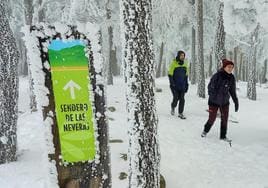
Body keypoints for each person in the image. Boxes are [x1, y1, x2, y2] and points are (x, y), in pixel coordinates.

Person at [201, 59, 239, 141]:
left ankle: (223, 136)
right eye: (229, 67)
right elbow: (210, 88)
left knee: (225, 119)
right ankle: (205, 130)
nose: (230, 69)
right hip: (213, 101)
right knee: (212, 118)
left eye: (232, 67)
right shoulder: (217, 76)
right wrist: (215, 96)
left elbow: (232, 91)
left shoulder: (231, 78)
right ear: (224, 67)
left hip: (225, 102)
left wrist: (236, 101)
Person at [168, 50, 189, 119]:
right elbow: (170, 74)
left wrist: (187, 85)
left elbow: (186, 76)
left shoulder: (185, 64)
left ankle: (180, 113)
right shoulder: (174, 63)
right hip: (174, 86)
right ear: (178, 56)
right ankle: (173, 106)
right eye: (181, 55)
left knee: (182, 99)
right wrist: (172, 83)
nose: (182, 57)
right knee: (176, 98)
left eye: (183, 55)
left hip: (182, 85)